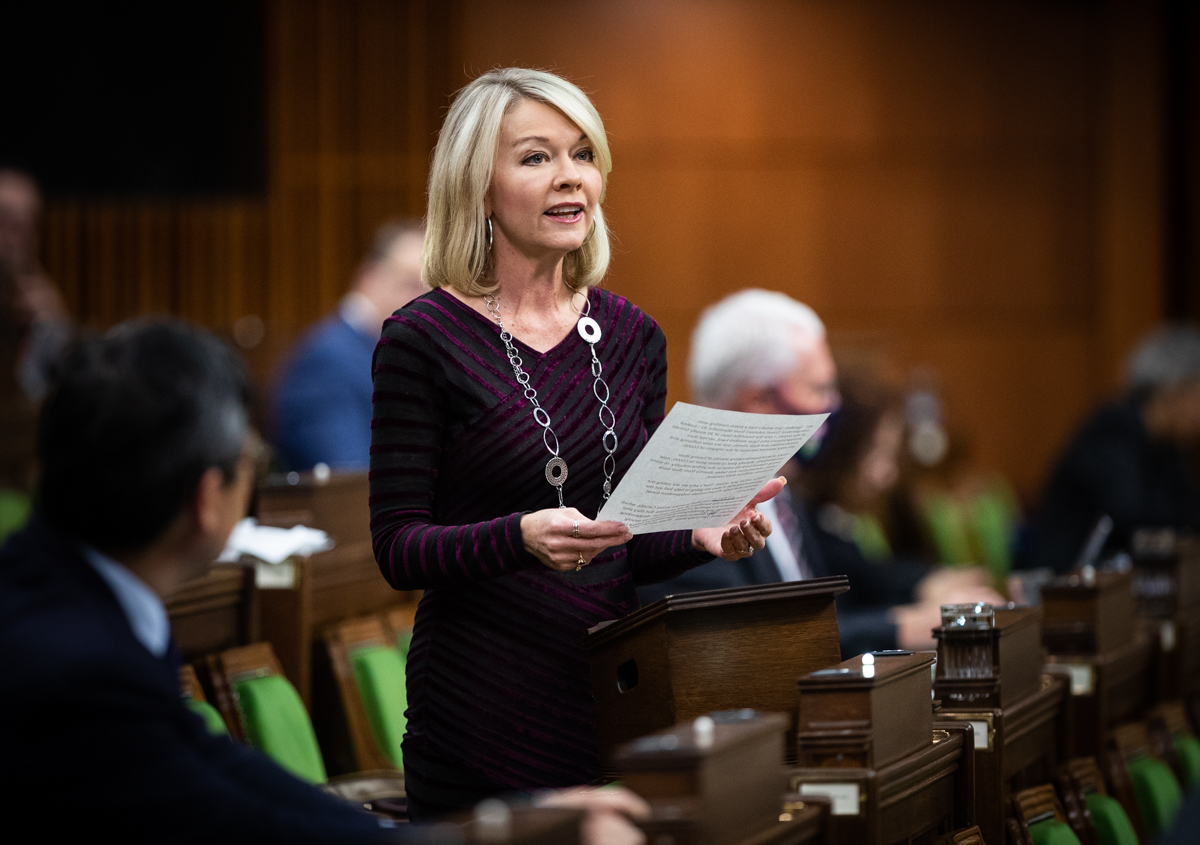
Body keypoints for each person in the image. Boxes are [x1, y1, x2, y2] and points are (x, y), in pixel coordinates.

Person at [0, 318, 649, 844]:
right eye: (250, 460)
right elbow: (232, 822)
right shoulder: (74, 664)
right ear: (207, 497)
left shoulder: (64, 593)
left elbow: (213, 763)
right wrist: (502, 834)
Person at [369, 68, 780, 819]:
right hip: (476, 711)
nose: (571, 179)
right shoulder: (421, 340)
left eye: (583, 154)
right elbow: (397, 548)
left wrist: (698, 532)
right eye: (535, 157)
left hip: (608, 696)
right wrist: (518, 537)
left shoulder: (631, 335)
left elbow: (625, 538)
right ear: (478, 186)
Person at [637, 290, 1001, 656]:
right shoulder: (681, 500)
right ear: (759, 400)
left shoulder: (778, 485)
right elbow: (752, 642)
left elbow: (847, 579)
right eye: (820, 389)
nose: (834, 407)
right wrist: (903, 628)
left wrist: (926, 588)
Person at [1025, 324, 1200, 572]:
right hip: (1066, 581)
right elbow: (1133, 516)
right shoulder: (1112, 431)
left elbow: (1186, 512)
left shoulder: (1168, 446)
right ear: (1173, 387)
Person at [273, 220, 427, 471]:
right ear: (369, 279)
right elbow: (352, 481)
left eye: (435, 290)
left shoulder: (401, 356)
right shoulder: (327, 362)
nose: (426, 302)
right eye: (412, 285)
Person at [0, 168, 71, 402]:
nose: (22, 233)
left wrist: (55, 326)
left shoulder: (37, 304)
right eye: (6, 218)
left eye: (30, 219)